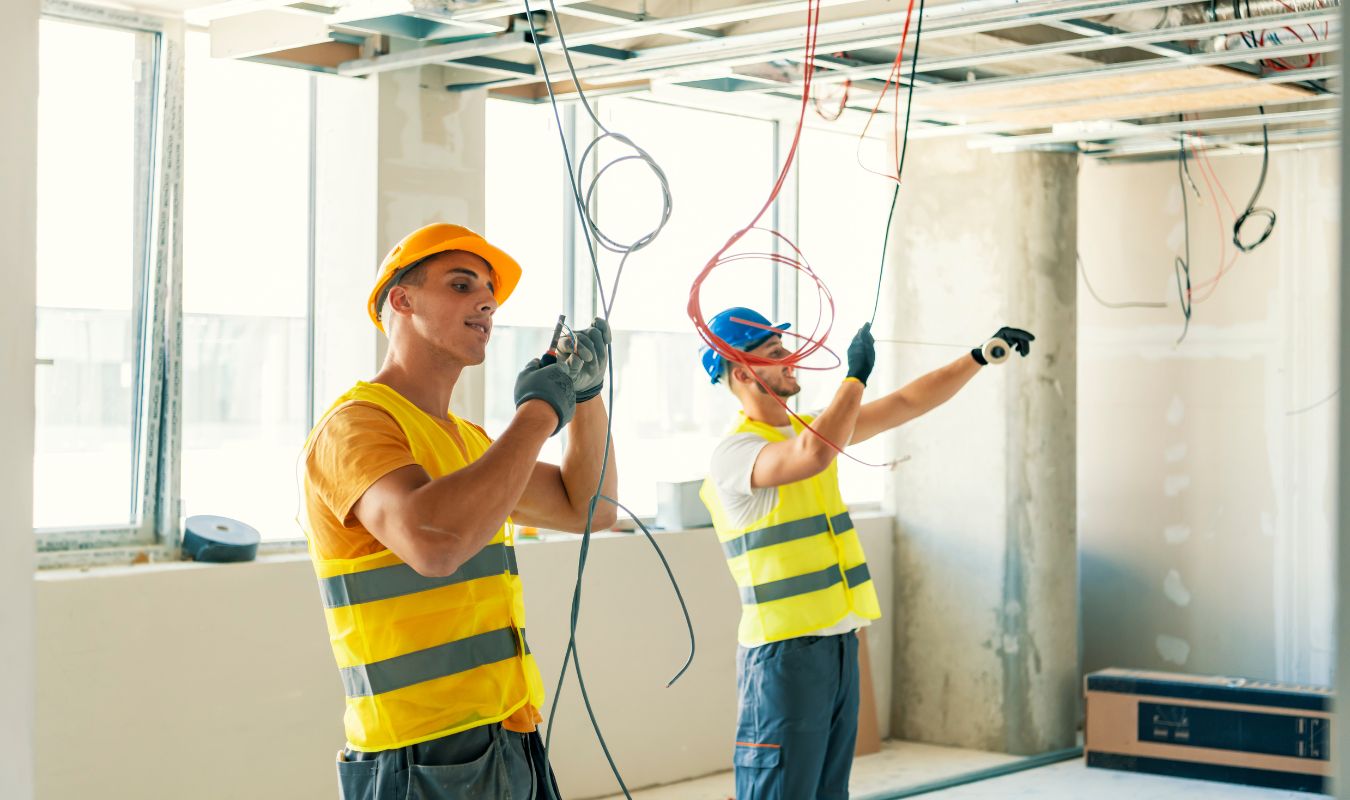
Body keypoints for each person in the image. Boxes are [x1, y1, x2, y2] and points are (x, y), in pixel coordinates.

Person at [300, 222, 617, 799]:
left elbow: (589, 509)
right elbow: (434, 544)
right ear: (402, 299)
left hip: (509, 733)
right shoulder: (354, 426)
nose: (487, 302)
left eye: (489, 292)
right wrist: (540, 412)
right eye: (461, 284)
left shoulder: (469, 441)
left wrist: (587, 398)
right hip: (419, 755)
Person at [698, 307, 1034, 800]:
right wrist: (854, 377)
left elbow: (906, 403)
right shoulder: (736, 453)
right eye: (776, 353)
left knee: (829, 792)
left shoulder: (810, 428)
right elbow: (812, 457)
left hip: (837, 644)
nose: (793, 359)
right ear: (743, 371)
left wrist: (980, 356)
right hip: (783, 655)